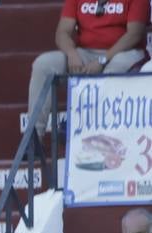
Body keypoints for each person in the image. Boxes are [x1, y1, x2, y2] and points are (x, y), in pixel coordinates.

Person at [28, 0, 146, 134]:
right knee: (43, 64)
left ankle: (105, 135)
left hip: (124, 52)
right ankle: (34, 139)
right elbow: (62, 32)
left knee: (112, 72)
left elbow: (134, 34)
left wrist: (103, 60)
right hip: (85, 52)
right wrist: (72, 53)